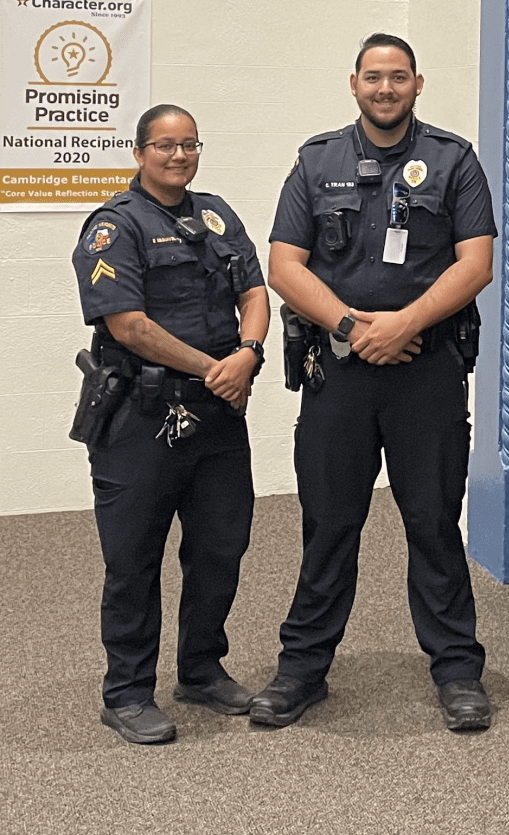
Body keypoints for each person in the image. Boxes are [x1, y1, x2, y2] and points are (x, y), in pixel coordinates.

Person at [252, 33, 497, 732]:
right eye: (373, 77)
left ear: (418, 83)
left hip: (428, 370)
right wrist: (359, 329)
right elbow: (286, 265)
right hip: (340, 371)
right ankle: (301, 667)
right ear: (353, 84)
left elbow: (475, 263)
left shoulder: (455, 160)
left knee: (433, 521)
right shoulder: (315, 160)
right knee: (329, 522)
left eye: (398, 77)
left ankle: (457, 670)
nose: (385, 88)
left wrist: (402, 324)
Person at [72, 104, 270, 745]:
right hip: (141, 415)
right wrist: (218, 367)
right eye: (164, 145)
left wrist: (248, 355)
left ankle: (201, 669)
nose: (178, 156)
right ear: (139, 152)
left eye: (189, 144)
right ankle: (127, 692)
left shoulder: (215, 213)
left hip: (218, 413)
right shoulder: (114, 227)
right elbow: (128, 326)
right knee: (133, 559)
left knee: (221, 547)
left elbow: (254, 292)